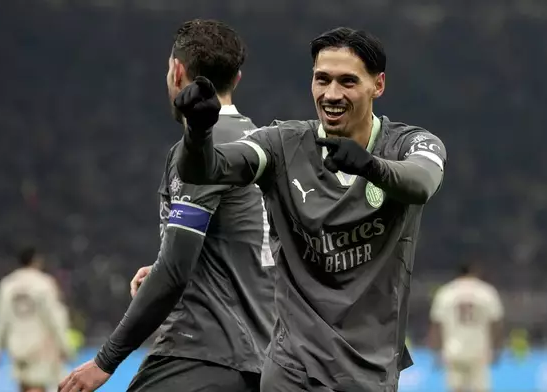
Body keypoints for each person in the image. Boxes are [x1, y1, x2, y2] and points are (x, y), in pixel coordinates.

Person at [172, 26, 448, 392]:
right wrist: (197, 134)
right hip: (292, 369)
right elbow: (206, 169)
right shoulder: (280, 145)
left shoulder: (409, 144)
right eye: (322, 80)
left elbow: (422, 183)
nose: (332, 94)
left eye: (348, 82)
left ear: (378, 85)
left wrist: (368, 165)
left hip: (368, 372)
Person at [58, 19, 275, 392]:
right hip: (260, 359)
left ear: (177, 71)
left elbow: (175, 272)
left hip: (201, 352)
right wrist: (166, 268)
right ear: (236, 78)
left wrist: (105, 361)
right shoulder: (262, 144)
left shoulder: (202, 149)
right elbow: (241, 247)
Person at [0, 246, 71, 392]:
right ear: (36, 261)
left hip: (16, 346)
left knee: (24, 386)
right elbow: (55, 318)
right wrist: (64, 346)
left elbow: (0, 320)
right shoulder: (44, 283)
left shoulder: (7, 285)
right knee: (36, 385)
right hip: (40, 346)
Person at [429, 263, 504, 392]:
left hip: (453, 350)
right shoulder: (486, 292)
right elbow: (496, 323)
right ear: (475, 272)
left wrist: (436, 350)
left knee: (456, 389)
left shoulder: (446, 292)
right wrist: (497, 347)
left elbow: (436, 324)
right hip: (479, 350)